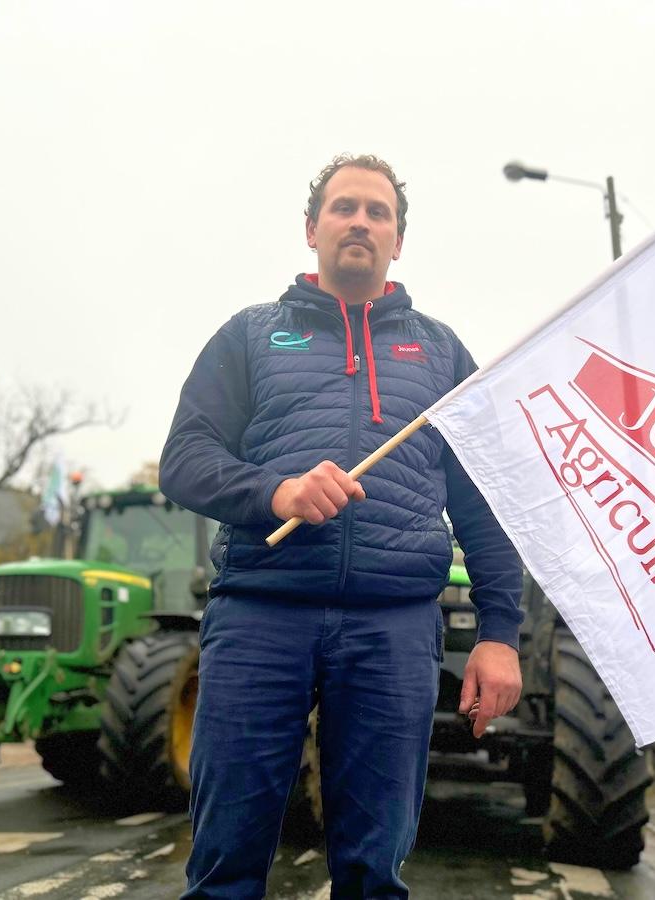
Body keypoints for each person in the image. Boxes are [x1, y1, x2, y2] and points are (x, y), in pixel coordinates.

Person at [159, 154, 524, 898]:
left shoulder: (442, 354)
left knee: (373, 872)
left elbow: (487, 501)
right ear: (311, 229)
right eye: (344, 207)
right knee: (225, 864)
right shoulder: (250, 337)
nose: (360, 222)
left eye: (377, 212)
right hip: (259, 616)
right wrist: (276, 491)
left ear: (398, 240)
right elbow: (184, 460)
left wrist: (499, 634)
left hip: (394, 628)